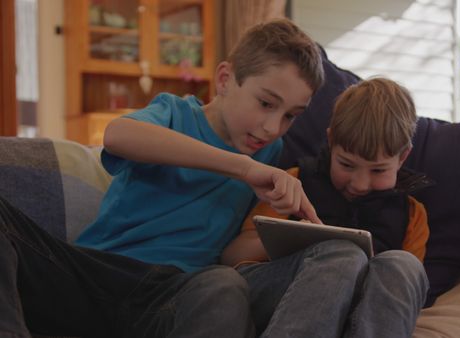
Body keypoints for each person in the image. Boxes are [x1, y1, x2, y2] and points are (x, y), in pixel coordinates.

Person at [0, 18, 324, 338]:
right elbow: (117, 135)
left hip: (172, 294)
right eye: (266, 103)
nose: (273, 127)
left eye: (290, 116)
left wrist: (287, 236)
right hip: (93, 272)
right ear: (225, 79)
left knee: (224, 284)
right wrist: (242, 166)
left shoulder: (271, 152)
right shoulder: (175, 112)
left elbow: (231, 255)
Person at [222, 77, 432, 338]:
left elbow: (410, 294)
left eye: (378, 170)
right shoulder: (294, 182)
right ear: (331, 142)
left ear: (402, 158)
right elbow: (232, 257)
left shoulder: (412, 214)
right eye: (346, 165)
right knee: (343, 254)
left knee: (405, 265)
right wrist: (295, 234)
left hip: (364, 313)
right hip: (285, 293)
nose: (359, 184)